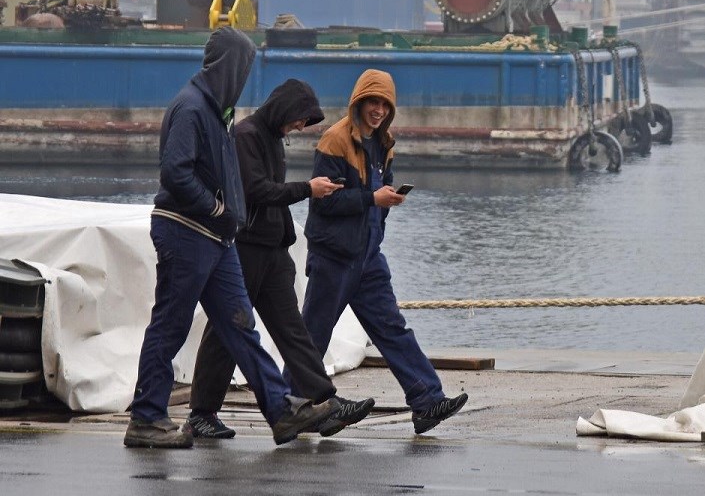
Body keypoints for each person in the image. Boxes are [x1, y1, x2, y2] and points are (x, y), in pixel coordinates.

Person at [125, 28, 337, 449]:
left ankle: (280, 411)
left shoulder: (218, 112)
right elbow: (175, 172)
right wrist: (218, 209)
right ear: (229, 67)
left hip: (217, 240)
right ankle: (146, 418)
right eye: (243, 68)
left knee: (242, 328)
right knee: (170, 325)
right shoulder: (191, 108)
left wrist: (226, 219)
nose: (245, 78)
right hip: (187, 232)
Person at [185, 78, 376, 440]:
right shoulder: (246, 136)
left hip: (272, 252)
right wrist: (308, 189)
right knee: (226, 331)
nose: (301, 128)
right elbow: (256, 190)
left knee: (293, 331)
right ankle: (202, 412)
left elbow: (268, 192)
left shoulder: (270, 137)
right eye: (300, 120)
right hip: (245, 250)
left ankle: (324, 401)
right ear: (284, 110)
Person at [302, 68, 467, 435]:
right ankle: (299, 407)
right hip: (333, 256)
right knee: (313, 335)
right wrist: (371, 199)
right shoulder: (334, 141)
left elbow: (377, 195)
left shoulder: (385, 143)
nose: (377, 110)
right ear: (358, 102)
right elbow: (324, 202)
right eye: (372, 102)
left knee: (393, 328)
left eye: (384, 104)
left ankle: (426, 400)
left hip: (368, 256)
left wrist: (385, 202)